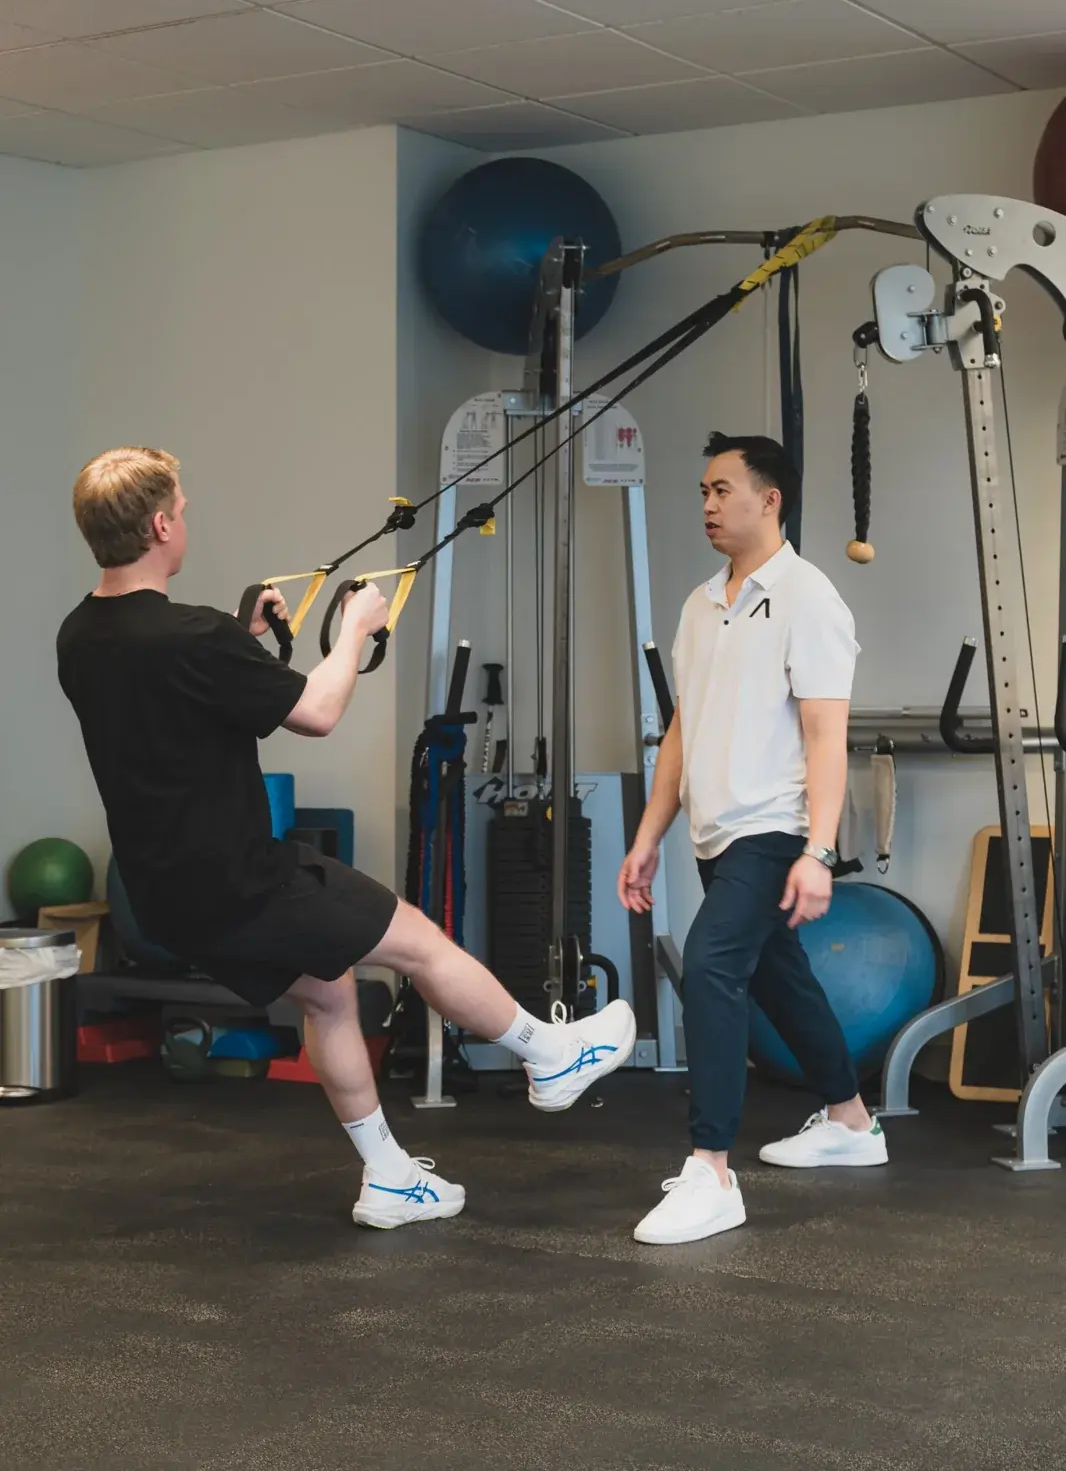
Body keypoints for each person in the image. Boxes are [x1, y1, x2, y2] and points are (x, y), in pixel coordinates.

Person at [57, 447, 636, 1230]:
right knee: (423, 945)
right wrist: (355, 632)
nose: (186, 518)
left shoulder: (81, 635)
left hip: (165, 894)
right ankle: (548, 1054)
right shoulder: (190, 637)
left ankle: (390, 1177)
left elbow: (173, 696)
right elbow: (317, 713)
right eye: (183, 509)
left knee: (327, 994)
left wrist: (241, 634)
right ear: (160, 525)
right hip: (245, 879)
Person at [618, 432, 885, 1247]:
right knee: (781, 980)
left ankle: (712, 1171)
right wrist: (646, 837)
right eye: (702, 490)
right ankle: (849, 1121)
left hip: (773, 830)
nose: (706, 504)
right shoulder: (701, 605)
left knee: (711, 966)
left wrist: (816, 850)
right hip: (714, 836)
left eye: (722, 490)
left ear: (769, 500)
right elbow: (679, 734)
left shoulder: (809, 597)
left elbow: (824, 736)